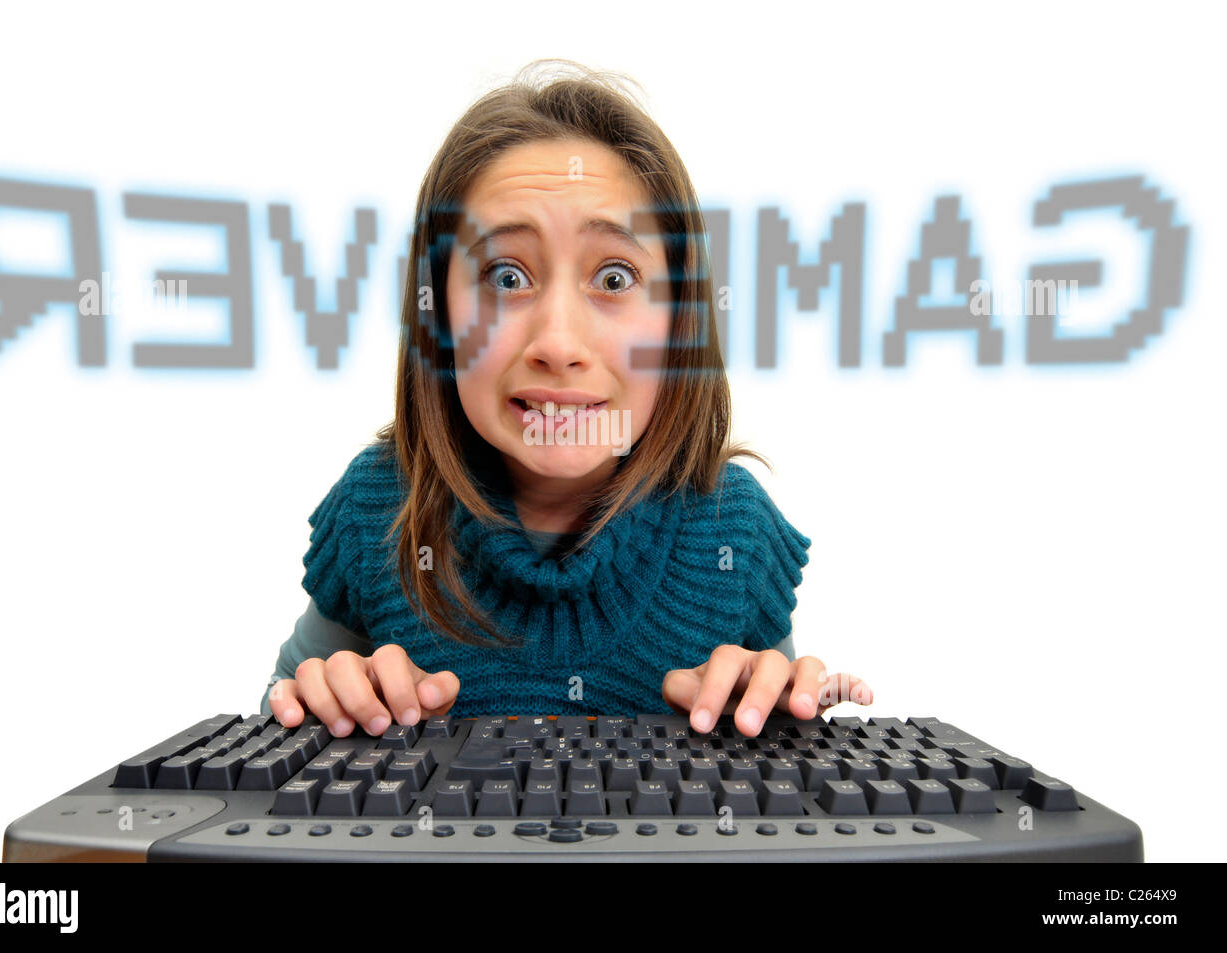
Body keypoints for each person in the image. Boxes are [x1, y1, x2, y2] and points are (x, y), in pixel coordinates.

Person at [261, 59, 871, 740]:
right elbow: (272, 721)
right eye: (505, 275)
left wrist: (761, 715)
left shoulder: (732, 528)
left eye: (614, 276)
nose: (558, 340)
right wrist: (313, 706)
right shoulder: (379, 509)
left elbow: (781, 739)